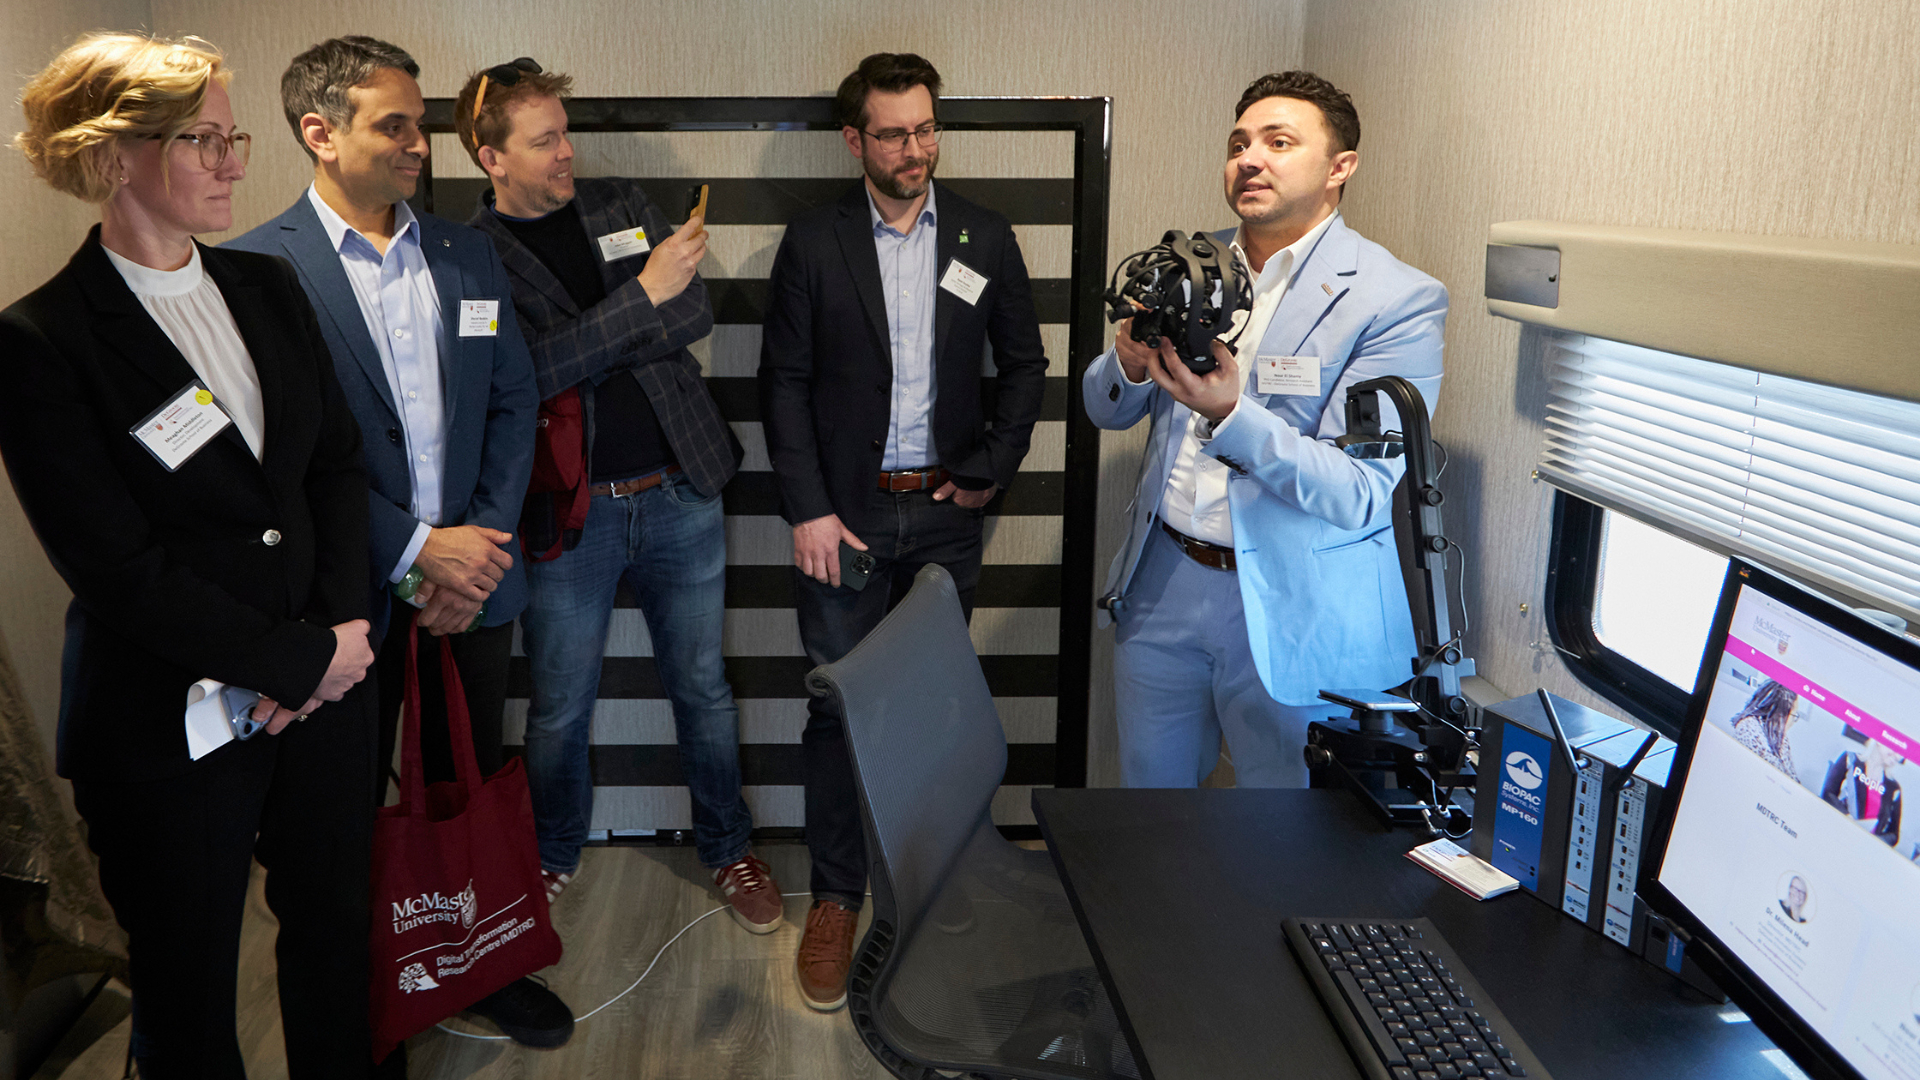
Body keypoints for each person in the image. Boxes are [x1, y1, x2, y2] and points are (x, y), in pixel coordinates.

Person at [0, 32, 382, 1077]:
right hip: (167, 727)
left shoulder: (265, 288)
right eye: (201, 139)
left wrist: (338, 639)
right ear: (116, 154)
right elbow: (117, 570)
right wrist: (293, 661)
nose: (232, 161)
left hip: (326, 695)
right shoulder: (41, 340)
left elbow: (335, 471)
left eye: (231, 135)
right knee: (187, 994)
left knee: (334, 952)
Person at [225, 36, 568, 1051]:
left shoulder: (464, 252)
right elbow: (272, 459)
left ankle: (482, 961)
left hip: (477, 586)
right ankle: (375, 989)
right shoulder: (256, 268)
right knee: (336, 826)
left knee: (470, 788)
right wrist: (417, 547)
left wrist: (481, 545)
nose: (423, 145)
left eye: (421, 124)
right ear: (318, 134)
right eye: (397, 125)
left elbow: (514, 398)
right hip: (344, 598)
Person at [455, 59, 784, 930]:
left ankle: (728, 848)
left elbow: (693, 318)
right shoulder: (471, 254)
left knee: (703, 688)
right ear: (491, 158)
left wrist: (609, 330)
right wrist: (640, 298)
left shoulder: (621, 204)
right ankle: (553, 853)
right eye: (545, 140)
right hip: (573, 511)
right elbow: (521, 375)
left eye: (566, 133)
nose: (568, 152)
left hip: (683, 488)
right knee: (560, 703)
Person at [757, 52, 1048, 1010]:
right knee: (840, 708)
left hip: (942, 515)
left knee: (929, 705)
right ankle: (837, 898)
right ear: (855, 141)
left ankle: (930, 879)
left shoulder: (984, 235)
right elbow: (784, 385)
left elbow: (1025, 365)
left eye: (926, 129)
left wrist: (987, 478)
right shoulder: (813, 241)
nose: (915, 149)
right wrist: (806, 507)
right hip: (840, 517)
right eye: (893, 133)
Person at [1083, 71, 1447, 789]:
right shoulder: (1186, 266)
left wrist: (1228, 414)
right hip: (1163, 583)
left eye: (1279, 142)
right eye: (1239, 143)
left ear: (1340, 167)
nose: (1250, 159)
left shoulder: (1396, 299)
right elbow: (1108, 409)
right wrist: (1123, 362)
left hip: (1295, 601)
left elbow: (1361, 492)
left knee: (1284, 829)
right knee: (1150, 809)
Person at [1821, 727, 1903, 847]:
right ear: (1879, 741)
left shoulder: (1894, 788)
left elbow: (1894, 835)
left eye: (1900, 752)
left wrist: (1873, 841)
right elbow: (1828, 793)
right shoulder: (1850, 760)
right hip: (1836, 832)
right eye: (1894, 749)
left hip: (1865, 848)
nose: (1897, 756)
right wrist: (1846, 817)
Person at [1727, 679, 1801, 780]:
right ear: (1780, 714)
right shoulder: (1748, 730)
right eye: (1794, 715)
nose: (1793, 721)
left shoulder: (1777, 734)